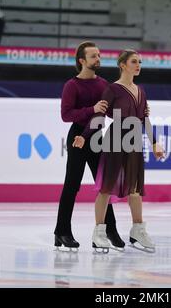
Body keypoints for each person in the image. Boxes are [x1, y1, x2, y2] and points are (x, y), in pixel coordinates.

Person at [73, 49, 165, 253]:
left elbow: (144, 120)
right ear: (122, 65)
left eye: (140, 62)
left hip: (134, 141)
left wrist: (155, 143)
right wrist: (84, 135)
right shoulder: (113, 89)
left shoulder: (141, 90)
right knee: (106, 187)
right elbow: (99, 116)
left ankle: (137, 230)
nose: (138, 65)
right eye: (134, 61)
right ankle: (99, 233)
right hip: (115, 138)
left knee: (134, 188)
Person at [54, 41, 125, 252]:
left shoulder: (103, 84)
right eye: (93, 56)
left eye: (99, 55)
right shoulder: (72, 86)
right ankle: (62, 231)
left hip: (97, 138)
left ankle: (109, 231)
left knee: (105, 186)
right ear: (82, 61)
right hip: (77, 137)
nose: (98, 59)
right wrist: (90, 109)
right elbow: (66, 115)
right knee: (72, 185)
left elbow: (109, 112)